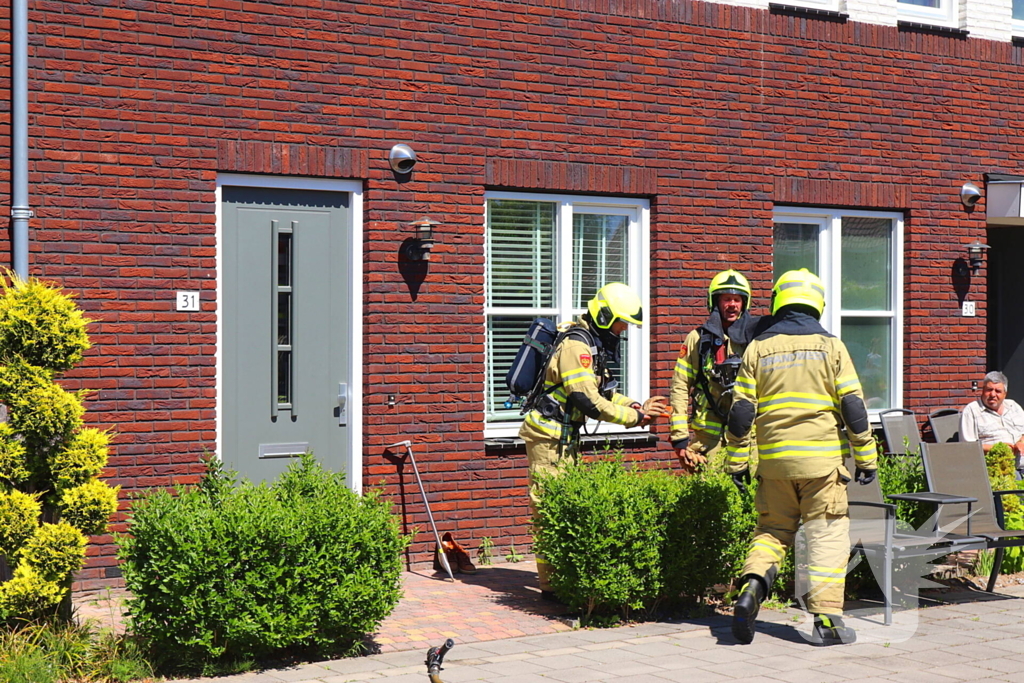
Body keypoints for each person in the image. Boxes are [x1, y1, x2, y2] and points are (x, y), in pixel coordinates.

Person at [725, 269, 877, 647]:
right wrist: (867, 458)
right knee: (826, 533)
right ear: (817, 303)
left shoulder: (757, 349)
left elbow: (741, 414)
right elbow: (854, 409)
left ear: (779, 301)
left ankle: (752, 588)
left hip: (775, 463)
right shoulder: (832, 348)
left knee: (772, 532)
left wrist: (737, 463)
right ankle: (827, 621)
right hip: (822, 463)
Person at [518, 282, 669, 601]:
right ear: (604, 316)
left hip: (563, 437)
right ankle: (551, 588)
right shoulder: (578, 347)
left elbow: (605, 391)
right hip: (548, 437)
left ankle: (562, 576)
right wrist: (635, 420)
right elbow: (588, 401)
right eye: (621, 322)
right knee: (548, 510)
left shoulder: (591, 343)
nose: (623, 329)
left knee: (565, 506)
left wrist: (636, 405)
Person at [668, 269, 767, 473]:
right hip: (708, 441)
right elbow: (680, 385)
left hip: (749, 439)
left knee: (749, 496)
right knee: (708, 496)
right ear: (715, 302)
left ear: (744, 303)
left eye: (737, 299)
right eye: (726, 299)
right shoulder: (697, 340)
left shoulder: (757, 340)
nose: (732, 305)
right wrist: (679, 437)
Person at [961, 371, 1024, 476]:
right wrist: (997, 448)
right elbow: (967, 446)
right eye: (989, 390)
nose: (993, 394)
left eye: (998, 391)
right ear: (982, 391)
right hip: (998, 469)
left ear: (1005, 394)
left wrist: (1021, 442)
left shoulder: (1013, 406)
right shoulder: (972, 410)